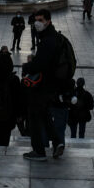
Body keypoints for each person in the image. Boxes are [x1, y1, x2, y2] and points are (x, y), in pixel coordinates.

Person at [20, 9, 68, 159]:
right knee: (44, 115)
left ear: (48, 21)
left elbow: (40, 65)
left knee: (34, 117)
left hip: (43, 86)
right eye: (36, 20)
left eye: (40, 20)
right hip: (51, 85)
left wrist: (27, 66)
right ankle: (58, 142)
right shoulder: (53, 36)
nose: (37, 23)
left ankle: (39, 151)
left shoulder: (47, 41)